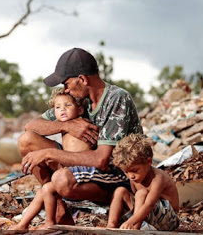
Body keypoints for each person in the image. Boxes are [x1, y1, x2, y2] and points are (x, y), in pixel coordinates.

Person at [17, 47, 143, 225]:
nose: (65, 90)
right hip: (84, 168)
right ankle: (61, 212)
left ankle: (116, 204)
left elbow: (101, 160)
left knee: (61, 180)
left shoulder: (117, 99)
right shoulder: (78, 99)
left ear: (82, 79)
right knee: (26, 140)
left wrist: (48, 154)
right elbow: (31, 125)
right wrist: (66, 125)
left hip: (117, 176)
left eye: (66, 84)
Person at [9, 88, 92, 231]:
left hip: (82, 170)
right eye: (58, 107)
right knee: (45, 189)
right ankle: (23, 224)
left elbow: (84, 156)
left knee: (46, 189)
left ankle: (49, 221)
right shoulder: (65, 119)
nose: (62, 110)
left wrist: (51, 155)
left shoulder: (83, 122)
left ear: (80, 110)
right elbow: (29, 126)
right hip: (68, 166)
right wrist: (63, 126)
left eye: (68, 106)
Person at [106, 133, 180, 230]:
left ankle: (135, 229)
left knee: (141, 193)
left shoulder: (158, 178)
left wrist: (131, 221)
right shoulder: (134, 178)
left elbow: (149, 204)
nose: (131, 176)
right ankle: (111, 226)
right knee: (120, 191)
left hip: (169, 219)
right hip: (147, 216)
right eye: (126, 172)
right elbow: (137, 203)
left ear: (149, 162)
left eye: (135, 170)